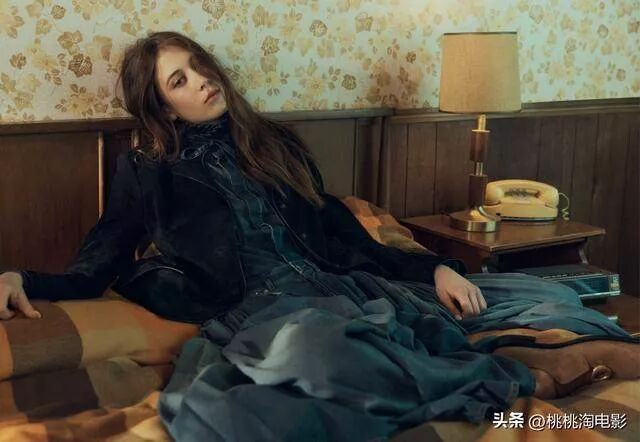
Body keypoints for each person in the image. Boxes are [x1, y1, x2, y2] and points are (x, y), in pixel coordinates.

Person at [0, 31, 637, 440]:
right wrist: (22, 277)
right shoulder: (147, 172)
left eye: (199, 66)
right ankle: (508, 384)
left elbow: (342, 231)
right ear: (163, 106)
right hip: (260, 312)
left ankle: (509, 374)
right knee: (286, 374)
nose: (201, 80)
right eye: (179, 80)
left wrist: (432, 268)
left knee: (540, 297)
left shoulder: (273, 143)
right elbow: (100, 260)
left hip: (338, 287)